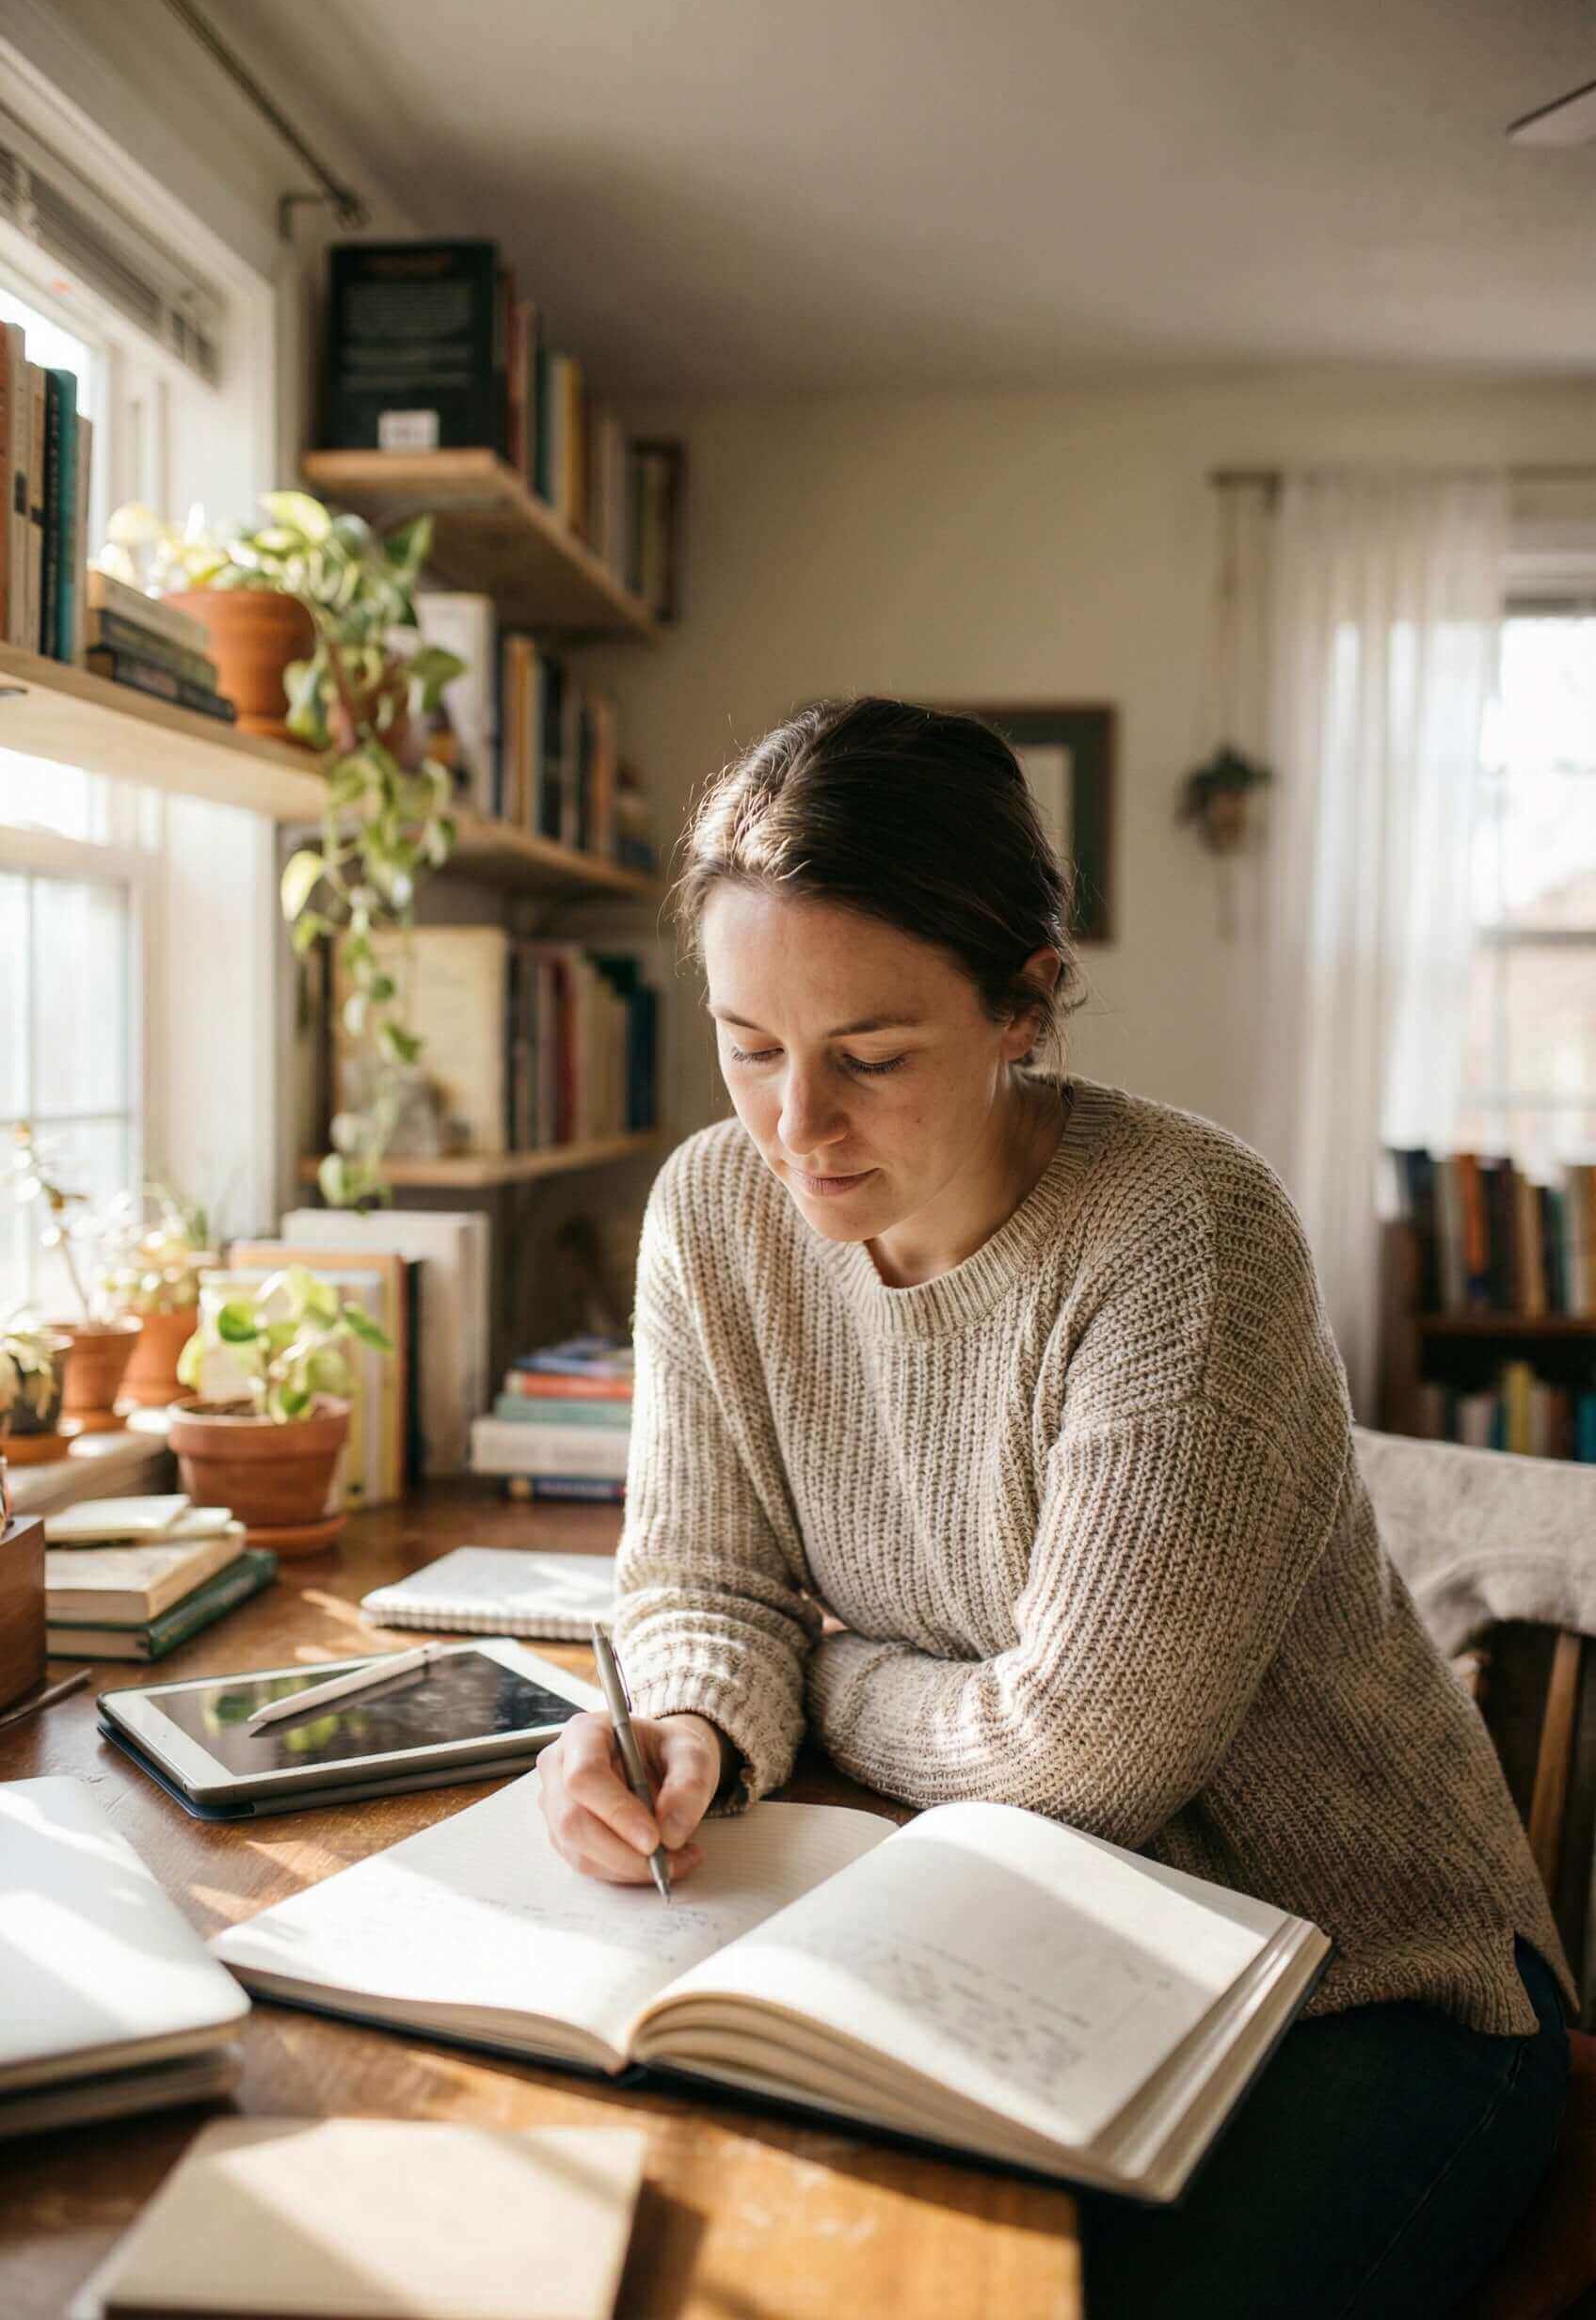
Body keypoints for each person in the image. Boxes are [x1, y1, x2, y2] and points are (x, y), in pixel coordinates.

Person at [536, 696, 1572, 2316]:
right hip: (1022, 1938)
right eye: (750, 1049)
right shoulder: (710, 1213)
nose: (796, 1130)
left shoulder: (1182, 1235)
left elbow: (1085, 1750)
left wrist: (819, 1674)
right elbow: (698, 1570)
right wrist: (688, 1723)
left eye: (869, 1058)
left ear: (1024, 1006)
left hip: (1365, 1988)